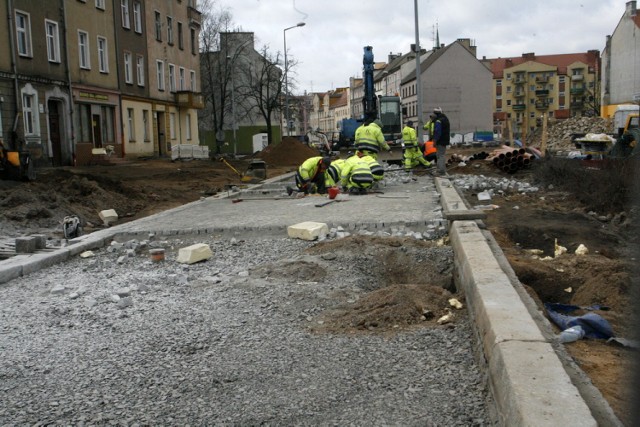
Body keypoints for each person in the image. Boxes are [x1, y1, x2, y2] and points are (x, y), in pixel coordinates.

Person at [432, 107, 450, 176]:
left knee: (440, 155)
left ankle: (440, 171)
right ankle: (441, 170)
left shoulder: (438, 121)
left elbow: (437, 132)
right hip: (444, 140)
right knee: (440, 155)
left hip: (440, 141)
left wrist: (435, 140)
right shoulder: (445, 119)